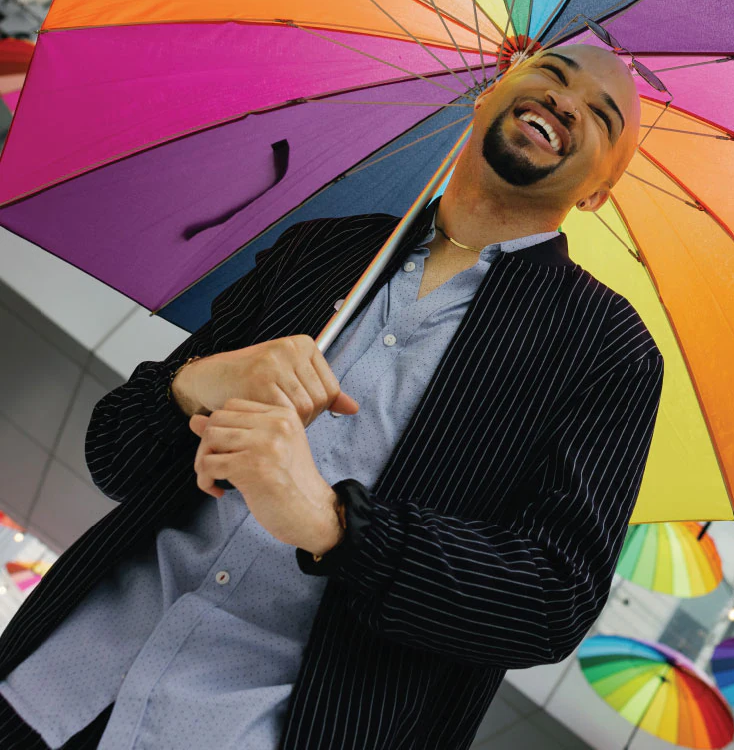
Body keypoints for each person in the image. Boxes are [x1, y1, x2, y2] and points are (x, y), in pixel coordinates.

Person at [0, 44, 664, 750]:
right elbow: (114, 456)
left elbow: (551, 600)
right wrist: (195, 383)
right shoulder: (318, 251)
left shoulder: (608, 352)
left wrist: (335, 525)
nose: (565, 101)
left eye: (600, 114)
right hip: (53, 684)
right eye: (552, 75)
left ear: (598, 191)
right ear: (487, 95)